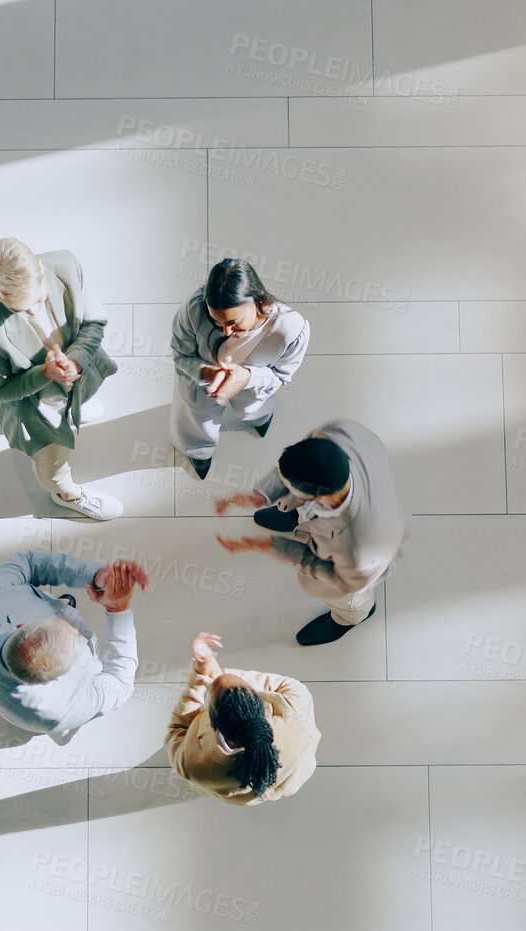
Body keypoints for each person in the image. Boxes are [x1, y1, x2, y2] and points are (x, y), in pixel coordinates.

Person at [0, 238, 123, 520]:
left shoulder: (65, 265)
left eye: (38, 300)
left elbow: (94, 322)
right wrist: (45, 374)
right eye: (19, 310)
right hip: (33, 401)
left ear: (40, 269)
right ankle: (67, 495)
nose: (33, 312)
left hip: (78, 371)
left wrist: (74, 359)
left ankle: (73, 408)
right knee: (52, 461)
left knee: (81, 393)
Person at [214, 420, 408, 646]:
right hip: (329, 510)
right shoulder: (336, 435)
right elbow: (294, 467)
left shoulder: (361, 548)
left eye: (288, 486)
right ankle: (299, 518)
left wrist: (270, 546)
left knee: (348, 598)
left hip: (347, 575)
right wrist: (261, 495)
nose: (280, 484)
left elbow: (336, 576)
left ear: (317, 497)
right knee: (300, 505)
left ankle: (351, 618)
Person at [0, 549, 149, 739]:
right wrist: (118, 610)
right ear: (49, 681)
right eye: (76, 640)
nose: (76, 627)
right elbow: (120, 683)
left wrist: (95, 575)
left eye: (58, 622)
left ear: (22, 625)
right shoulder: (59, 711)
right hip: (50, 718)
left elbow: (29, 562)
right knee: (69, 722)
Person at [169, 259, 311, 481]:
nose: (226, 331)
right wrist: (208, 373)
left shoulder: (290, 328)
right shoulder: (193, 311)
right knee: (197, 417)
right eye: (217, 322)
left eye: (235, 323)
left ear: (258, 301)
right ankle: (198, 451)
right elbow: (181, 356)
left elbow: (282, 375)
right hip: (202, 383)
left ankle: (258, 418)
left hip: (255, 385)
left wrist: (248, 378)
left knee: (254, 407)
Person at [166, 632, 320, 804]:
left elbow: (177, 730)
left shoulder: (193, 764)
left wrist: (204, 676)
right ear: (259, 701)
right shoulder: (296, 705)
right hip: (290, 778)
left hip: (229, 790)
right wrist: (221, 679)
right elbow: (288, 685)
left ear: (212, 723)